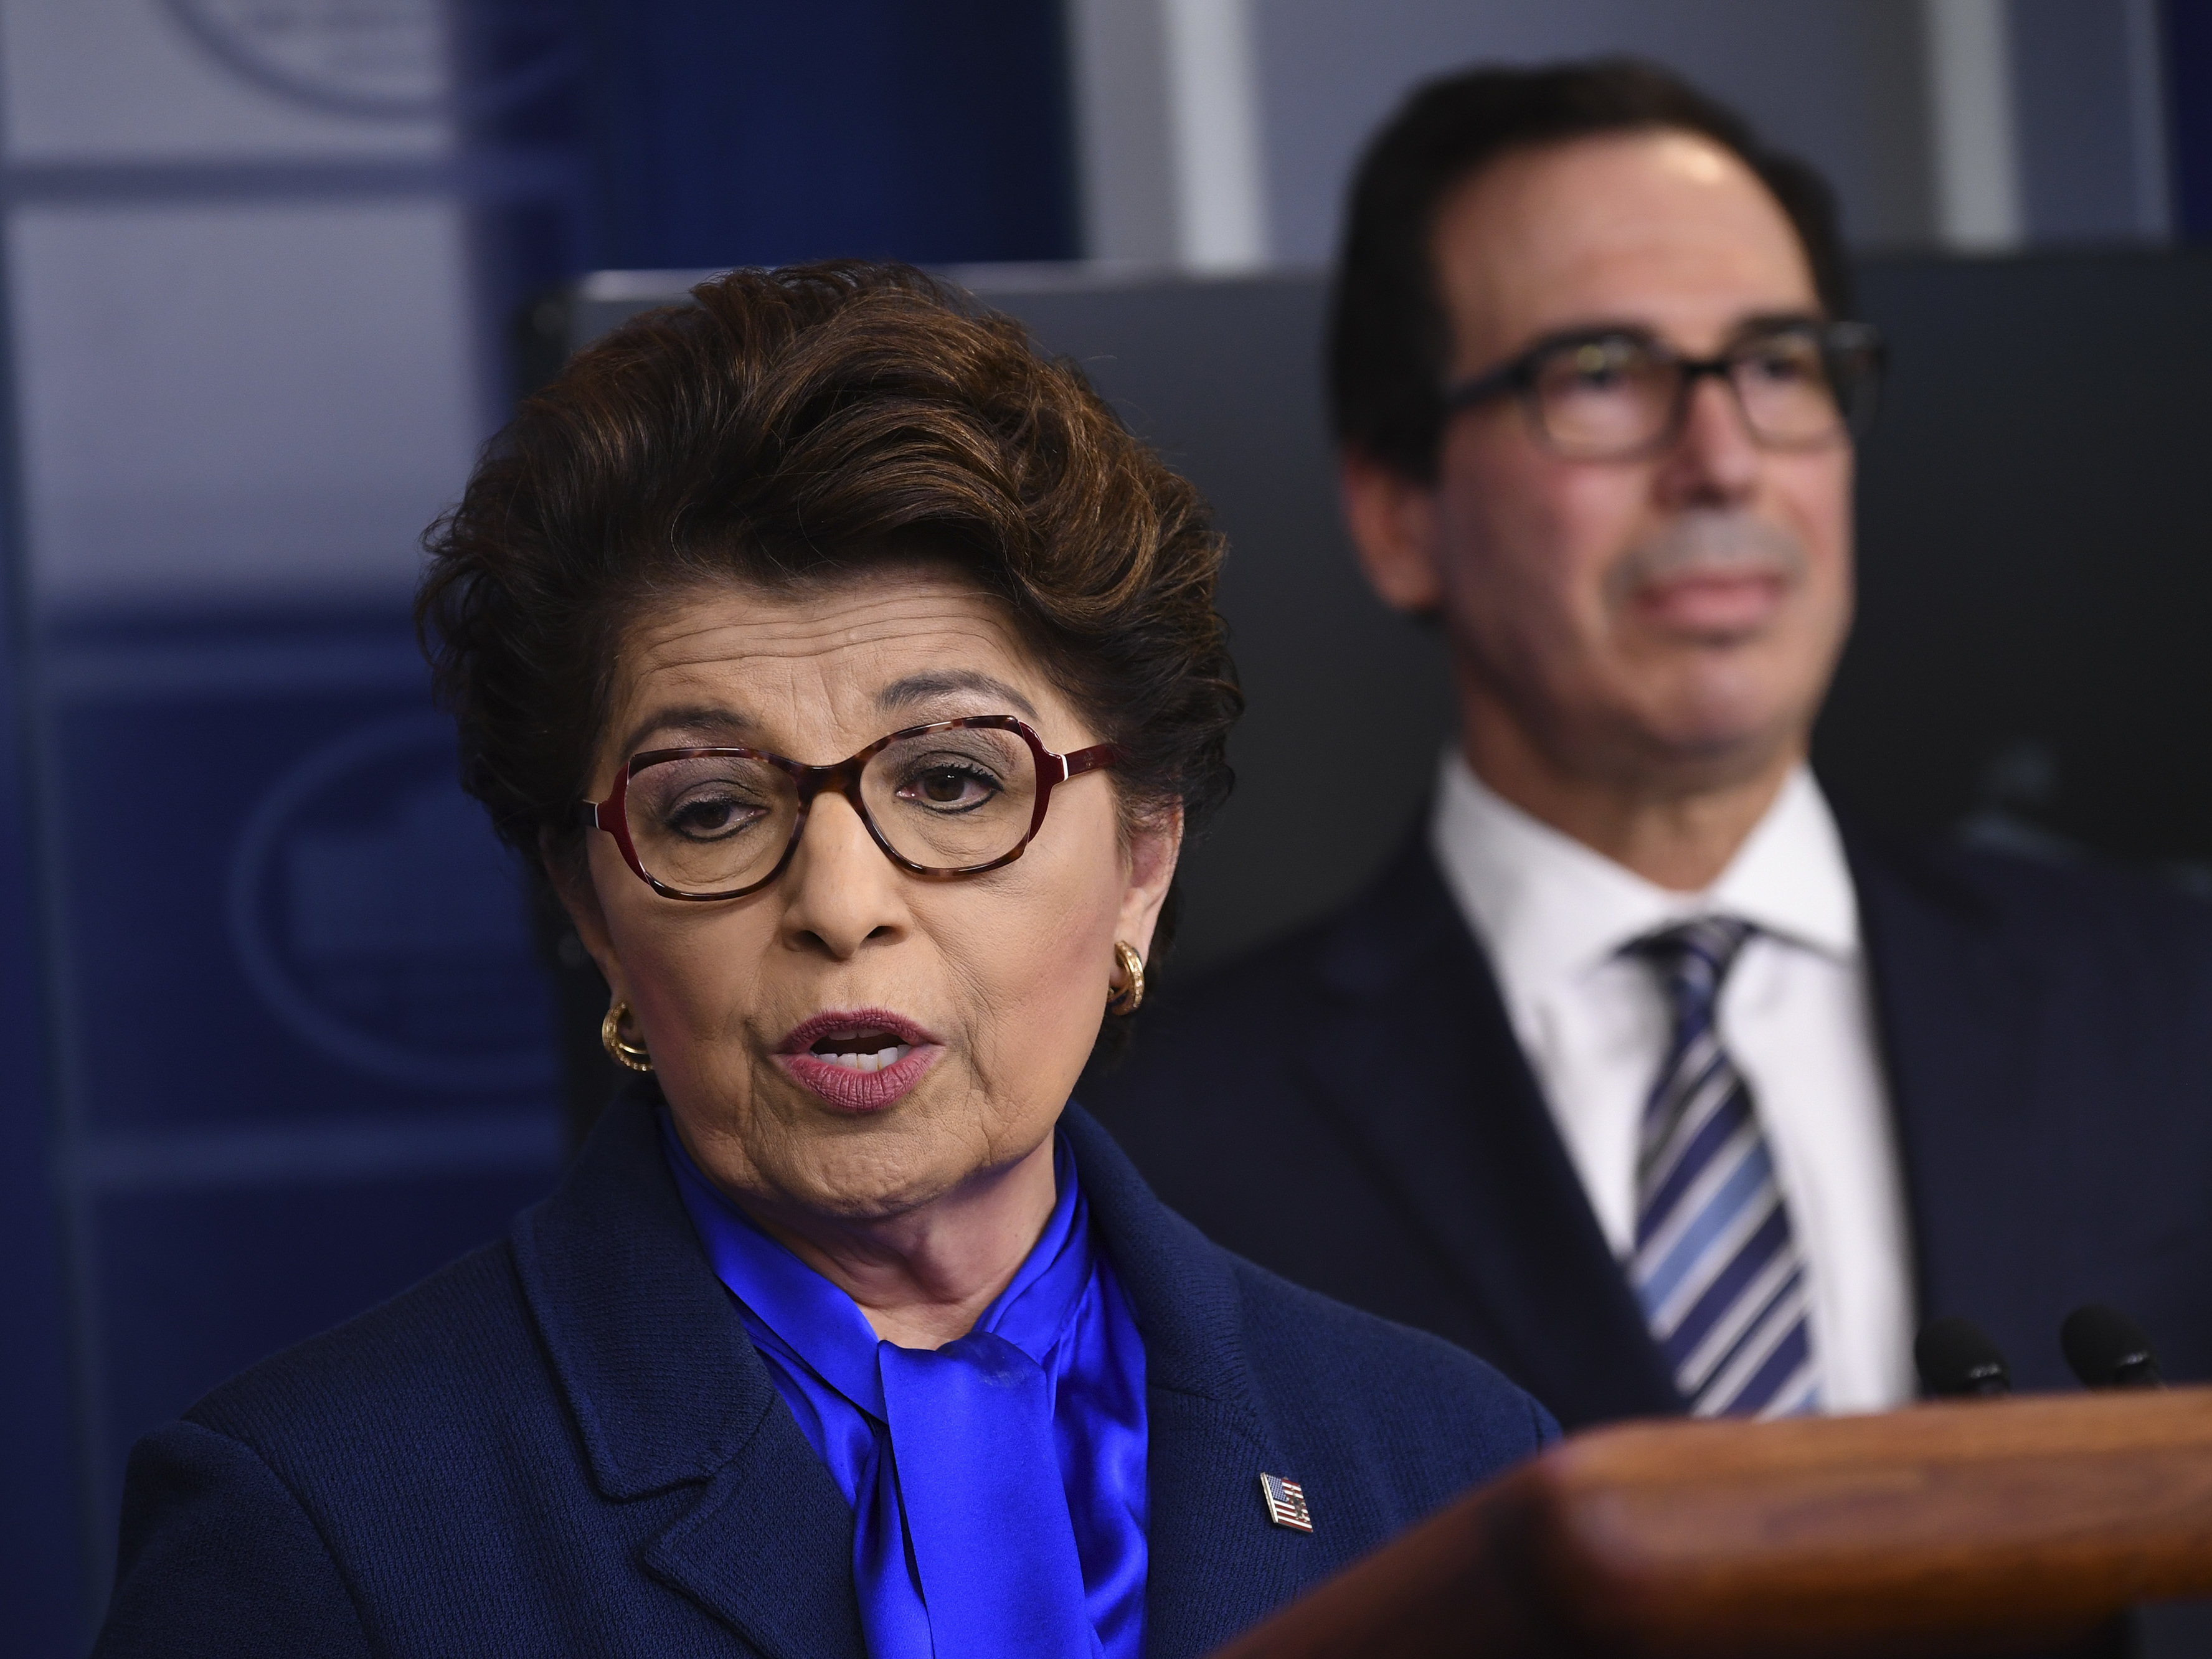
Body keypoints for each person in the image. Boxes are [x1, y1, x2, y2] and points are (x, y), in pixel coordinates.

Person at [90, 263, 1555, 1658]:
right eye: (714, 809)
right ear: (591, 905)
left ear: (1142, 862)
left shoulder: (1454, 1466)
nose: (841, 903)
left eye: (956, 783)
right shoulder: (315, 1530)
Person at [1085, 60, 2212, 1432]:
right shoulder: (1161, 1154)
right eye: (1604, 374)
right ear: (1397, 512)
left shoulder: (2166, 1005)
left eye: (1779, 365)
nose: (1724, 459)